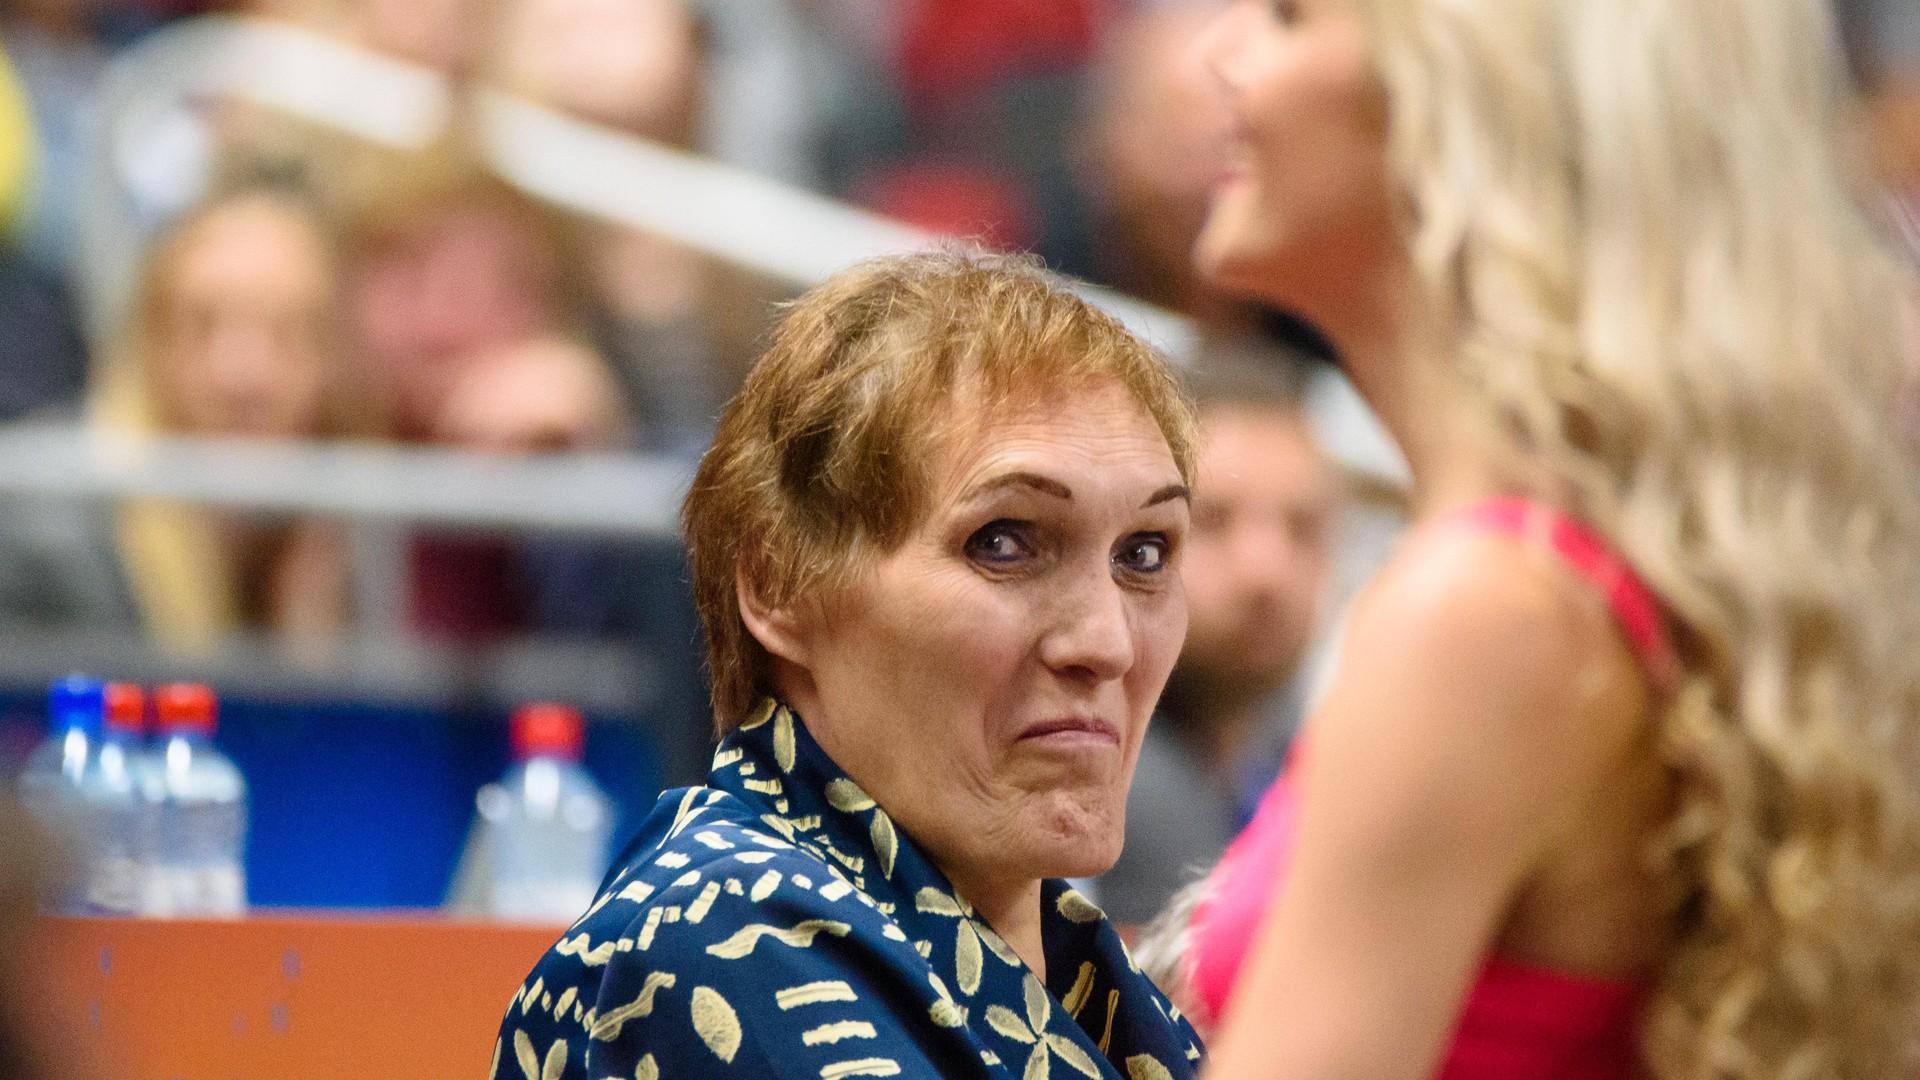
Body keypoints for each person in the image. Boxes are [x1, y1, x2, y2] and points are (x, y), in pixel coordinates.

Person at [1172, 2, 1920, 1079]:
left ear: (1462, 98)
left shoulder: (1488, 612)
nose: (1224, 54)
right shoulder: (1575, 578)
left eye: (1291, 17)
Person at [493, 251, 1205, 1078]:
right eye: (1004, 542)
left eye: (1144, 553)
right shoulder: (713, 939)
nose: (1108, 643)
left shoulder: (1099, 991)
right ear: (781, 584)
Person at [1096, 354, 1338, 925]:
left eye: (1302, 528)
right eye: (1214, 521)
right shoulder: (1099, 775)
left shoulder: (1293, 759)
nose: (1266, 571)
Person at [94, 174, 371, 655]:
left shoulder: (371, 543)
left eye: (285, 331)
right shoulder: (55, 539)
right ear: (151, 348)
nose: (241, 375)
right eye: (203, 327)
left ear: (335, 360)